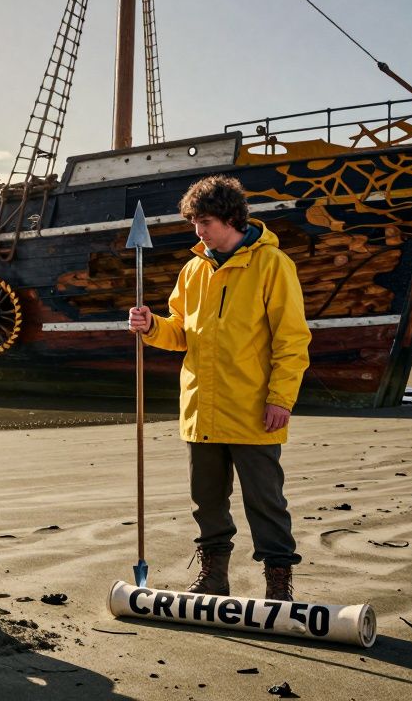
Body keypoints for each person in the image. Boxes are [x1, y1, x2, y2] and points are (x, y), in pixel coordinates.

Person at [127, 174, 311, 601]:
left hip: (253, 409)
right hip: (201, 408)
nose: (198, 231)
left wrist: (281, 399)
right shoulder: (193, 270)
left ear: (231, 218)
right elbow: (180, 333)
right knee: (206, 502)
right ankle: (214, 578)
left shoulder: (272, 265)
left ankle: (278, 585)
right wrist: (152, 326)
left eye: (205, 221)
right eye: (194, 222)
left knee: (266, 502)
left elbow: (292, 340)